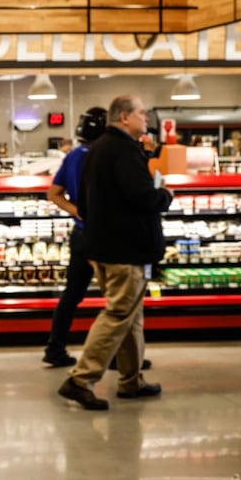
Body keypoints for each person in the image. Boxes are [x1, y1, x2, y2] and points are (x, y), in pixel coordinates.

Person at [57, 94, 170, 410]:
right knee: (120, 312)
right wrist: (165, 195)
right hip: (125, 248)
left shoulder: (97, 149)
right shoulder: (122, 150)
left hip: (104, 246)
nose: (145, 119)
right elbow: (142, 197)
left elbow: (87, 202)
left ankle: (131, 380)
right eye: (141, 113)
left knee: (132, 315)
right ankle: (80, 380)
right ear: (124, 117)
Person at [42, 107, 105, 368]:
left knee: (71, 295)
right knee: (117, 300)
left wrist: (78, 212)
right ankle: (117, 355)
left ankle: (55, 348)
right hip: (103, 236)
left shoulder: (74, 156)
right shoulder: (106, 154)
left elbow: (54, 193)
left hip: (80, 233)